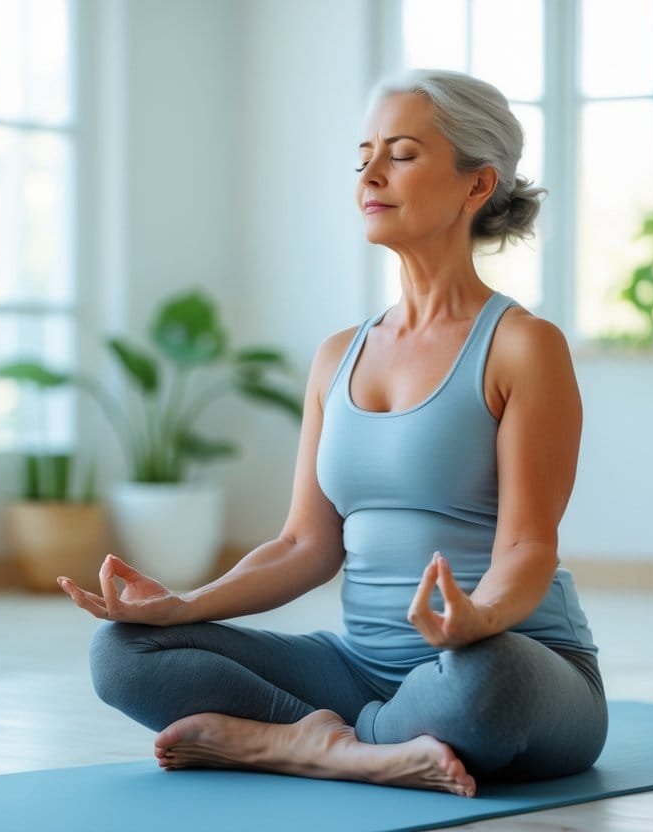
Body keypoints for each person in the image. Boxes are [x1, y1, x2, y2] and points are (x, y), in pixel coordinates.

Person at [58, 68, 607, 799]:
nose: (370, 175)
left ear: (477, 185)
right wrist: (183, 606)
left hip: (503, 661)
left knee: (489, 687)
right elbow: (303, 545)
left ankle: (290, 743)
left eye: (402, 154)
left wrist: (478, 619)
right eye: (363, 156)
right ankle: (353, 749)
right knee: (123, 653)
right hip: (357, 669)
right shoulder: (336, 357)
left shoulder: (520, 346)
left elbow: (527, 546)